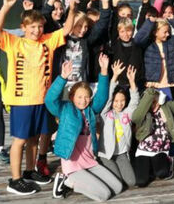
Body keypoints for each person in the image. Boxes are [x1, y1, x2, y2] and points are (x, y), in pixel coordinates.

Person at [0, 0, 77, 195]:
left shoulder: (47, 41)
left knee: (34, 139)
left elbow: (66, 29)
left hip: (42, 100)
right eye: (32, 27)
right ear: (23, 27)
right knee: (20, 140)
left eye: (40, 27)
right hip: (22, 101)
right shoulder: (13, 42)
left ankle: (30, 171)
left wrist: (73, 8)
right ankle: (15, 180)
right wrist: (5, 8)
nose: (37, 30)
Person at [47, 55, 123, 201]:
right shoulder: (65, 109)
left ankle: (84, 180)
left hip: (89, 161)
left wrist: (104, 71)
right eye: (79, 97)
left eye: (87, 97)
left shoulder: (91, 111)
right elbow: (50, 100)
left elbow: (101, 97)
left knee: (117, 187)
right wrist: (63, 77)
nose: (83, 101)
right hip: (73, 164)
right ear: (72, 97)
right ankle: (67, 181)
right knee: (103, 194)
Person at [131, 72, 174, 187]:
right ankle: (150, 166)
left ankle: (168, 161)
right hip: (144, 150)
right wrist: (151, 90)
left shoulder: (167, 108)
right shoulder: (142, 113)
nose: (153, 105)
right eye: (150, 102)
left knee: (163, 173)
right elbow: (135, 118)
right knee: (141, 182)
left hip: (161, 150)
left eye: (155, 101)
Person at [98, 61, 140, 188]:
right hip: (106, 154)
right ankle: (100, 167)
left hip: (121, 154)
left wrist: (132, 81)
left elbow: (135, 101)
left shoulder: (127, 113)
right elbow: (108, 96)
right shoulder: (105, 113)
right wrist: (115, 76)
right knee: (118, 183)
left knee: (131, 182)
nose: (119, 104)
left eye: (122, 101)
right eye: (116, 101)